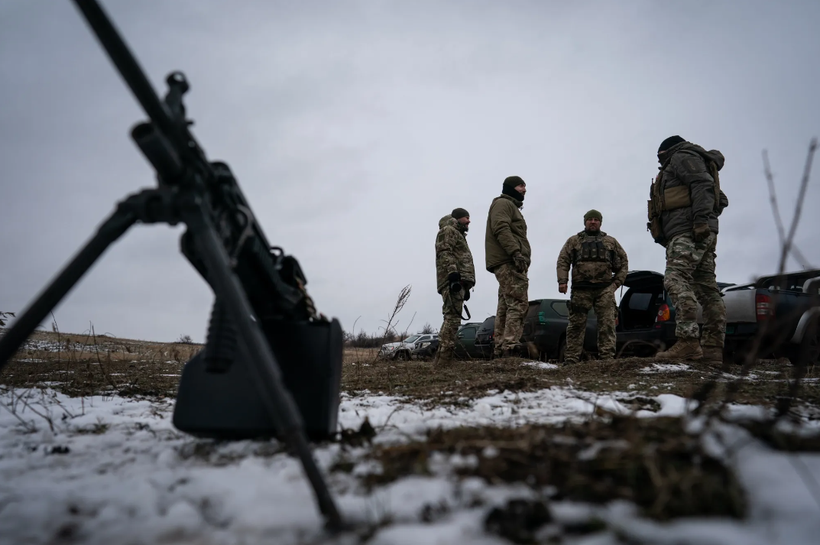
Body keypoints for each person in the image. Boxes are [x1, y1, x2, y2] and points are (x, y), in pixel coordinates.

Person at [648, 135, 729, 365]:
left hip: (689, 231)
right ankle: (713, 349)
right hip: (700, 231)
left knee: (675, 278)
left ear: (666, 151)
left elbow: (703, 185)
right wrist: (706, 219)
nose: (659, 161)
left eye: (659, 157)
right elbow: (721, 199)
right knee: (706, 288)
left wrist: (700, 220)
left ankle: (688, 341)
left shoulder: (681, 157)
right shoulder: (695, 159)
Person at [556, 210, 628, 364]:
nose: (593, 222)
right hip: (580, 290)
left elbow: (623, 262)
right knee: (576, 325)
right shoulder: (574, 241)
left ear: (600, 222)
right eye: (590, 220)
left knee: (607, 324)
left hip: (604, 289)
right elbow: (563, 260)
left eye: (596, 219)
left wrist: (616, 283)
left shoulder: (610, 242)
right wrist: (562, 281)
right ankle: (571, 359)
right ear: (585, 222)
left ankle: (607, 359)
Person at [485, 176, 531, 358]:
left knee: (506, 305)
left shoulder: (509, 206)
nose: (524, 189)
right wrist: (515, 252)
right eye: (520, 186)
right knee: (518, 302)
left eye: (525, 186)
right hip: (509, 261)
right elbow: (500, 228)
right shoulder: (504, 204)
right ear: (510, 188)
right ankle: (511, 346)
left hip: (507, 261)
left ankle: (501, 347)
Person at [434, 208, 476, 364]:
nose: (469, 221)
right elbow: (445, 251)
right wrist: (453, 274)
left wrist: (466, 285)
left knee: (452, 317)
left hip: (460, 281)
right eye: (466, 217)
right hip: (453, 280)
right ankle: (443, 360)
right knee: (452, 318)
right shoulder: (449, 230)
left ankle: (442, 360)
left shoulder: (458, 234)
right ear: (457, 218)